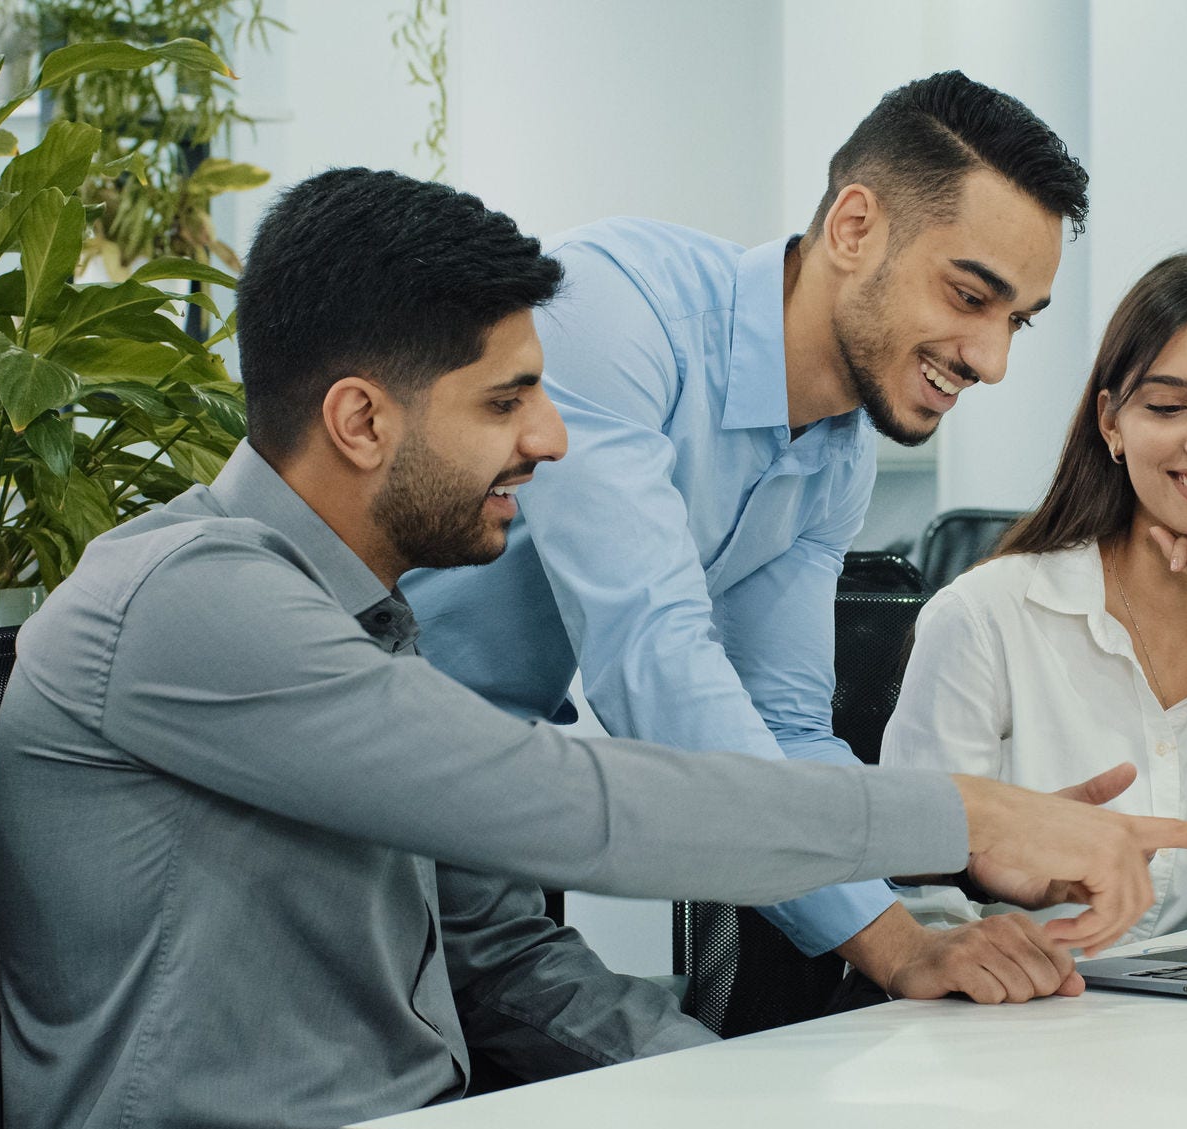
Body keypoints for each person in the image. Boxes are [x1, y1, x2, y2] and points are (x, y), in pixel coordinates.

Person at [0, 169, 1187, 1129]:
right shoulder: (190, 603)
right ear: (361, 420)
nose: (549, 439)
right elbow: (569, 802)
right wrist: (955, 819)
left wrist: (746, 1093)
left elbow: (496, 947)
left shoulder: (367, 627)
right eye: (503, 403)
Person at [403, 71, 1098, 1006]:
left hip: (492, 812)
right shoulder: (615, 309)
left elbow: (787, 723)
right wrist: (959, 829)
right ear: (854, 228)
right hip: (351, 780)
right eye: (971, 296)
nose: (993, 359)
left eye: (1016, 321)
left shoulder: (838, 456)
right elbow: (652, 661)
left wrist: (905, 944)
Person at [881, 251, 1187, 947]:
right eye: (1167, 406)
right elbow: (908, 885)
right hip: (1028, 1020)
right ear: (1111, 422)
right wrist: (973, 947)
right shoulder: (986, 618)